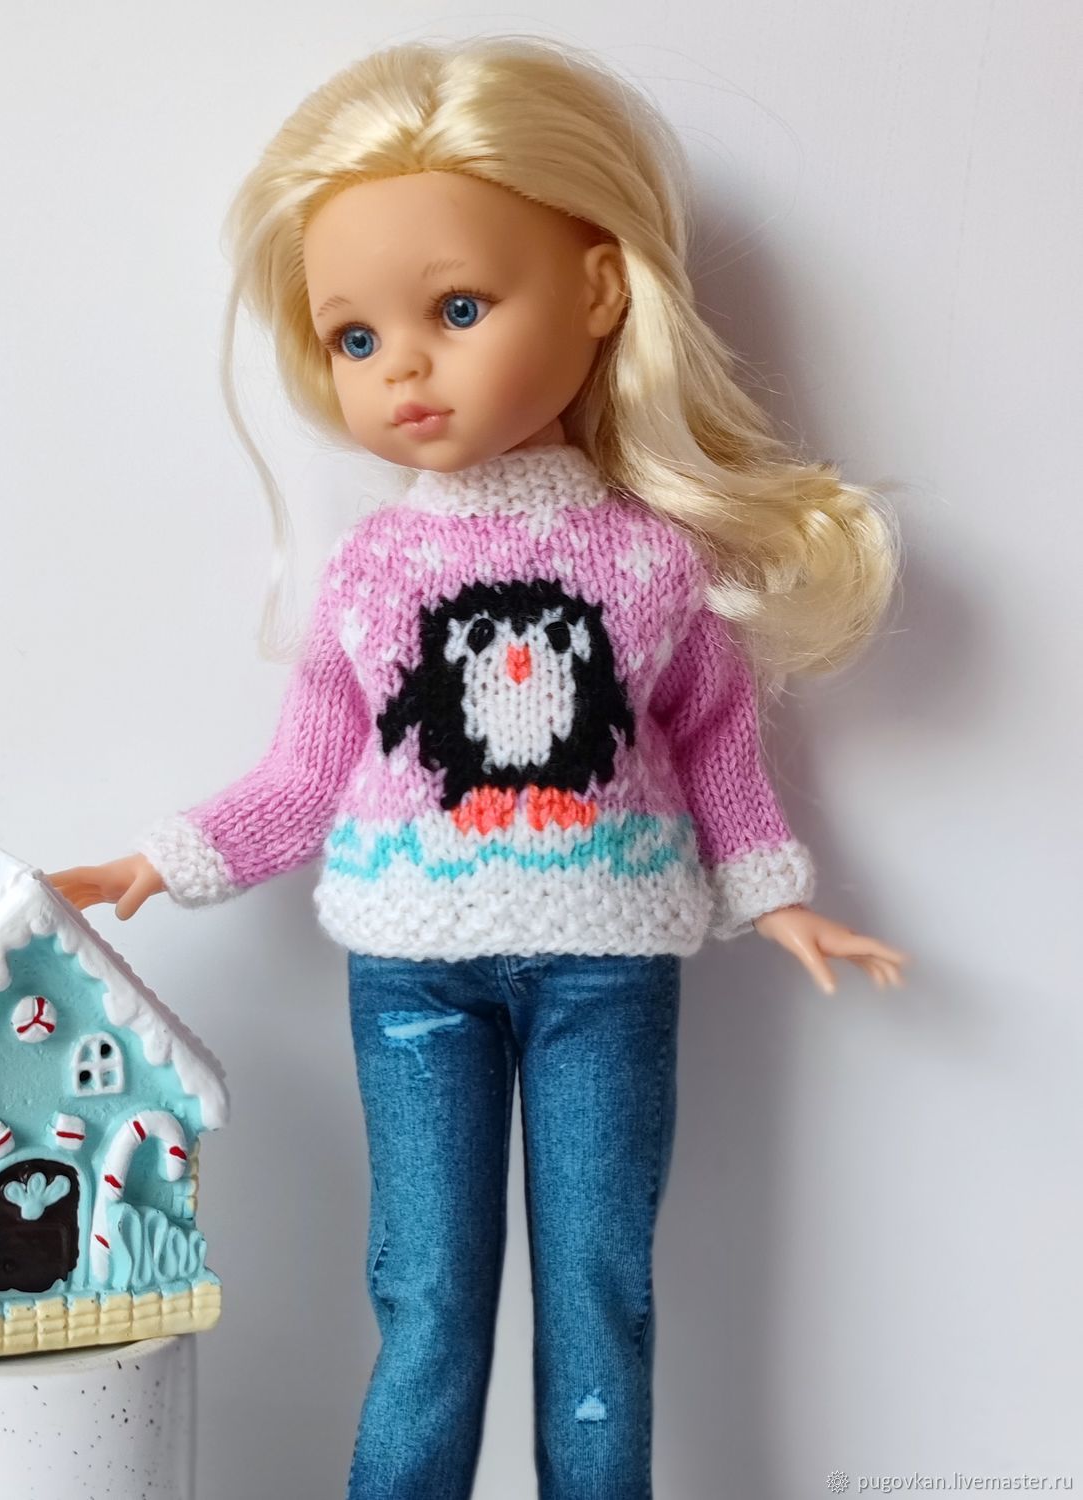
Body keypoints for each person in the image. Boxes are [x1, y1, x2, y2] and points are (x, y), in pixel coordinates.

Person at [48, 35, 908, 1500]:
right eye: (354, 336)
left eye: (456, 309)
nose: (403, 366)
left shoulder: (654, 559)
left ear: (600, 289)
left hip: (608, 965)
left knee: (600, 1295)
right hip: (409, 972)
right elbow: (308, 771)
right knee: (428, 1300)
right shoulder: (373, 571)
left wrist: (775, 895)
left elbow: (712, 735)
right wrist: (164, 859)